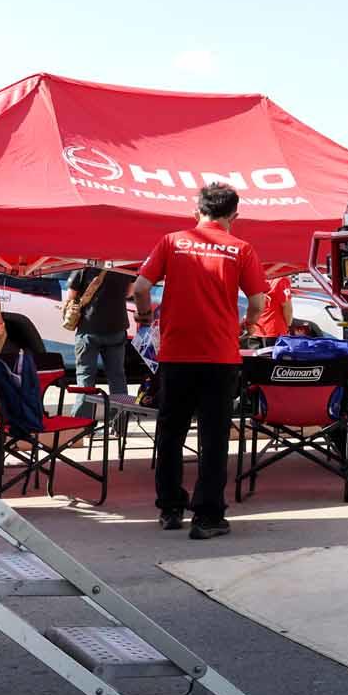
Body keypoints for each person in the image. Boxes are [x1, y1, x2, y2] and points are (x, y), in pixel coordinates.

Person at [134, 184, 266, 540]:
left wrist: (145, 319)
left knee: (171, 431)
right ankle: (207, 516)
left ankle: (170, 506)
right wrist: (247, 324)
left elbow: (140, 287)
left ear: (197, 211)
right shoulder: (242, 249)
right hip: (219, 356)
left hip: (176, 354)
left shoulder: (171, 241)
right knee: (214, 436)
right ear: (234, 216)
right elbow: (258, 300)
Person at [67, 262, 133, 418]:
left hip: (88, 328)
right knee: (117, 376)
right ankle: (119, 423)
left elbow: (71, 295)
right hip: (116, 327)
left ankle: (83, 424)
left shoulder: (85, 264)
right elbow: (129, 292)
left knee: (85, 377)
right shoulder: (126, 264)